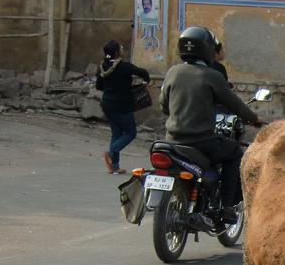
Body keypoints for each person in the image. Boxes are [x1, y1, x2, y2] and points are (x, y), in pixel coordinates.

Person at [159, 26, 263, 219]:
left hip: (171, 140)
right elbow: (235, 105)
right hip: (201, 141)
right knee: (235, 153)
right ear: (207, 49)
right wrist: (255, 118)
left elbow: (164, 107)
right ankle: (227, 207)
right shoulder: (212, 76)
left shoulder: (172, 72)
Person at [95, 39, 150, 175]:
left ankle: (115, 166)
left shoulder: (102, 66)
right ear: (117, 52)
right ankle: (112, 151)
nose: (123, 50)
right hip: (122, 105)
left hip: (107, 104)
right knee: (131, 132)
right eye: (121, 48)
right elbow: (143, 72)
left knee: (117, 133)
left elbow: (99, 86)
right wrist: (145, 82)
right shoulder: (124, 66)